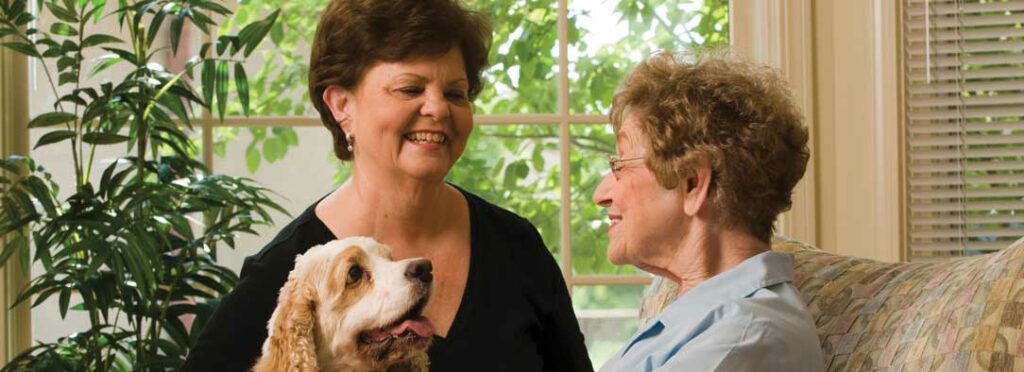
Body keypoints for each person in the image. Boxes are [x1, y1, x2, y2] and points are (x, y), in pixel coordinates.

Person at [181, 0, 592, 370]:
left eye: (456, 93)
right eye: (410, 88)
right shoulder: (286, 273)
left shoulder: (517, 247)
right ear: (342, 105)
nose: (437, 108)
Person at [593, 51, 825, 371]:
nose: (601, 194)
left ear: (692, 183)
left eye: (620, 165)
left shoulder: (743, 340)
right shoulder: (694, 318)